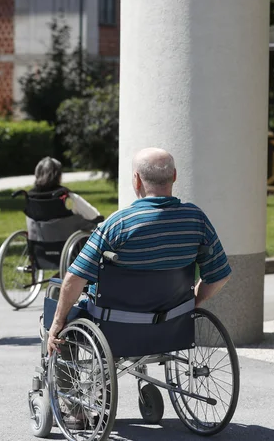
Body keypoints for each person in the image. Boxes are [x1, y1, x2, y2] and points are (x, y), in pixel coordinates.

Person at [47, 147, 233, 355]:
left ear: (136, 180)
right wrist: (192, 303)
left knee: (57, 304)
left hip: (113, 328)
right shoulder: (196, 219)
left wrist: (57, 321)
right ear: (174, 176)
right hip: (171, 325)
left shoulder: (117, 224)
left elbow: (75, 279)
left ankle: (65, 377)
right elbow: (219, 275)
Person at [31, 156, 101, 222]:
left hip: (38, 234)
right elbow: (94, 215)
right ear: (58, 176)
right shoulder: (66, 196)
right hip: (65, 234)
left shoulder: (31, 198)